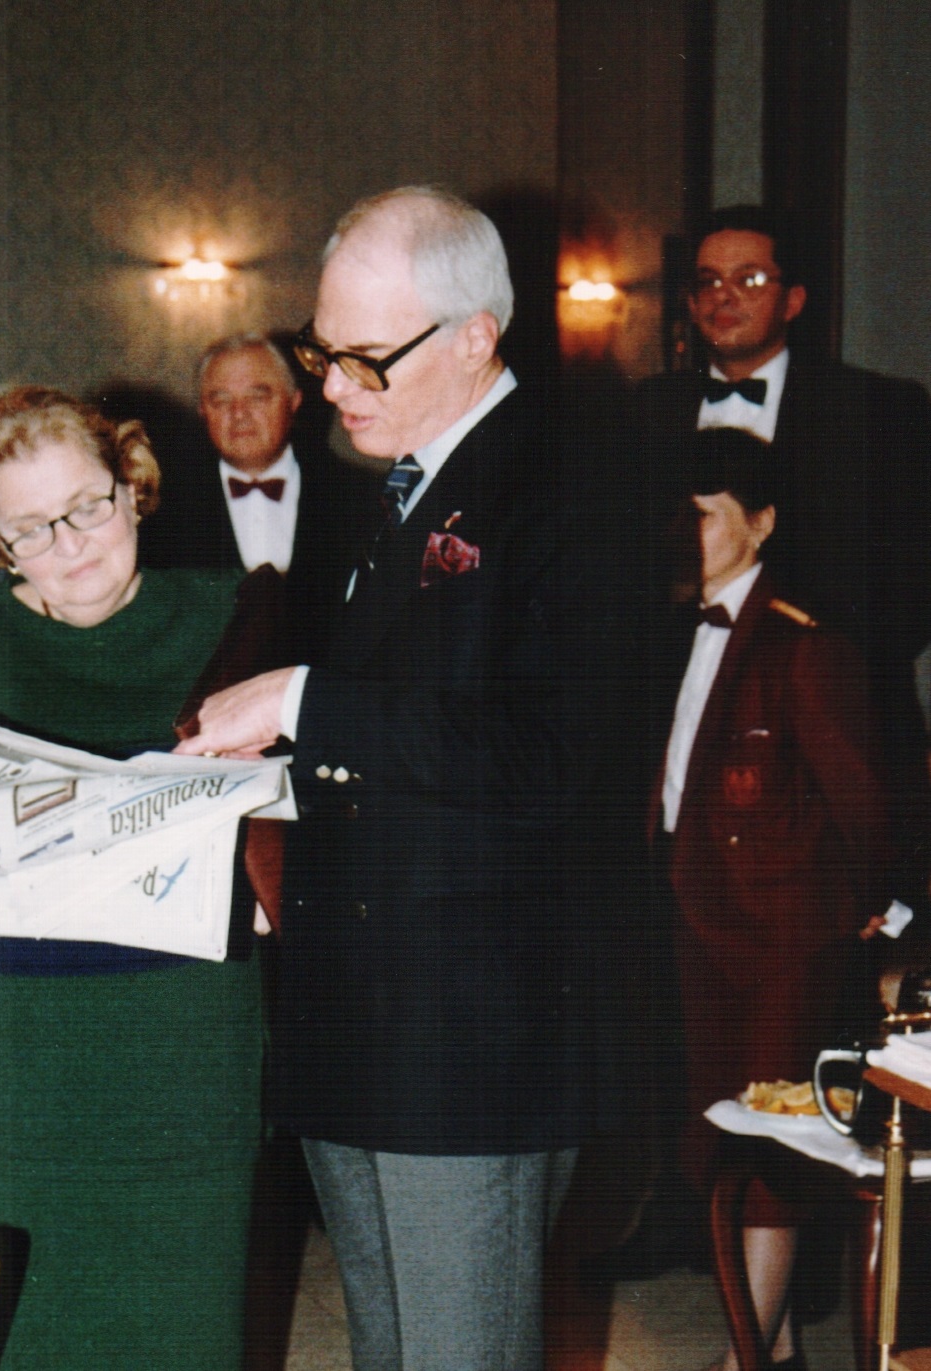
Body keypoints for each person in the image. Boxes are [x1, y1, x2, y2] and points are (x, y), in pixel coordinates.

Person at [176, 186, 609, 1370]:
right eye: (323, 351)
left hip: (468, 1034)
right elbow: (405, 732)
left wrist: (300, 701)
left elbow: (551, 758)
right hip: (357, 1013)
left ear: (475, 335)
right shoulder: (401, 480)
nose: (331, 387)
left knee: (461, 1352)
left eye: (367, 357)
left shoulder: (570, 484)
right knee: (388, 1349)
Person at [0, 386, 266, 1371]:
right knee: (22, 1326)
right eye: (33, 528)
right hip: (5, 1050)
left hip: (179, 1037)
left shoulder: (232, 613)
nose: (71, 545)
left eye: (87, 507)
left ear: (132, 487)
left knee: (179, 1318)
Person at [654, 430, 903, 1371]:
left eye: (703, 514)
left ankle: (743, 1357)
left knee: (771, 1147)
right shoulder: (673, 627)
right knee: (718, 1137)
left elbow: (864, 799)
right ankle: (776, 1345)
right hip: (699, 919)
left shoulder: (803, 644)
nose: (683, 533)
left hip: (782, 932)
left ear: (759, 523)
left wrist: (865, 911)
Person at [634, 206, 931, 822]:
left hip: (832, 735)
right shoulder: (646, 410)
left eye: (748, 279)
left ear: (793, 300)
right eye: (708, 281)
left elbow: (911, 591)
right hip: (675, 727)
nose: (724, 297)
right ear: (689, 303)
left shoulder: (879, 408)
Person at [141, 332, 373, 659]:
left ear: (294, 401)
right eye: (221, 400)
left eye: (258, 397)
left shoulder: (362, 498)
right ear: (202, 410)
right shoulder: (159, 511)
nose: (239, 413)